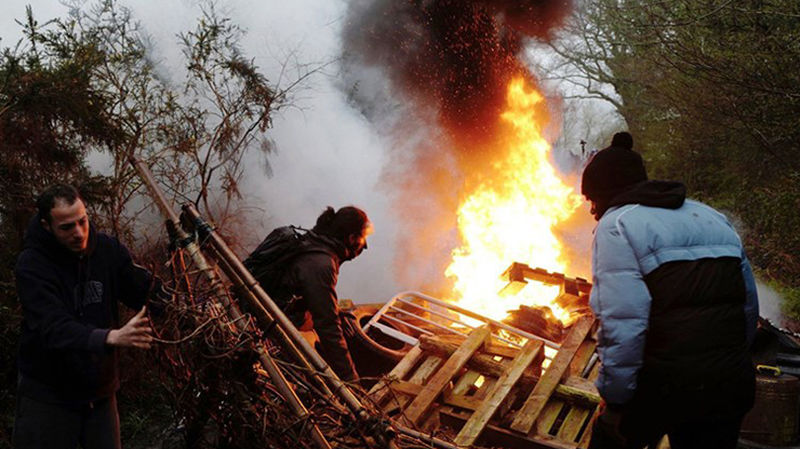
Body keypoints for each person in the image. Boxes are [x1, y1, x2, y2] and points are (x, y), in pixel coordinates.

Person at [581, 132, 758, 448]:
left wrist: (616, 401)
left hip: (665, 388)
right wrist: (732, 362)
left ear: (604, 194)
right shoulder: (711, 216)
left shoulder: (617, 225)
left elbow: (623, 325)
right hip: (729, 385)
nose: (592, 210)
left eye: (592, 200)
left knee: (608, 439)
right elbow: (748, 307)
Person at [13, 184, 156, 449]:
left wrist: (186, 302)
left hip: (100, 392)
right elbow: (53, 327)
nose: (79, 233)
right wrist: (110, 337)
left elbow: (143, 293)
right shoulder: (32, 265)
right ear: (47, 226)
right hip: (48, 395)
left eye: (83, 221)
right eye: (67, 227)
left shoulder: (106, 250)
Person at [245, 206, 372, 382]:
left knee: (345, 323)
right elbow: (328, 327)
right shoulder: (321, 264)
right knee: (325, 348)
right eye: (363, 239)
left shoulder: (310, 242)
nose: (363, 247)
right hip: (269, 327)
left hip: (261, 311)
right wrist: (350, 379)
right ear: (351, 238)